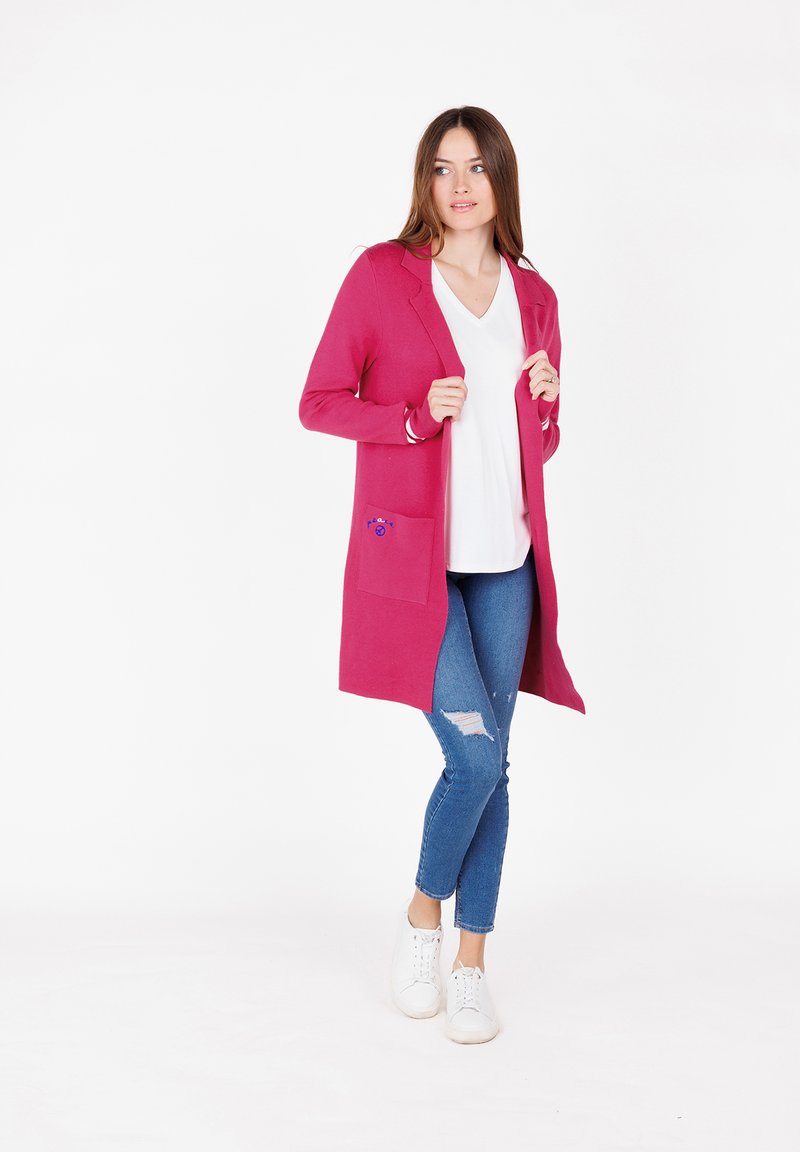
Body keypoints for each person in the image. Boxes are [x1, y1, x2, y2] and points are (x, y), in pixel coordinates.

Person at [299, 106, 585, 1045]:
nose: (459, 186)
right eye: (441, 168)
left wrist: (548, 407)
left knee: (494, 763)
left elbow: (536, 444)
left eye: (477, 168)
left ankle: (471, 965)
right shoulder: (383, 275)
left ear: (502, 180)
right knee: (474, 757)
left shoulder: (534, 295)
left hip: (507, 565)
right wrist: (413, 418)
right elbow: (319, 402)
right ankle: (423, 916)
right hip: (415, 564)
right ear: (424, 181)